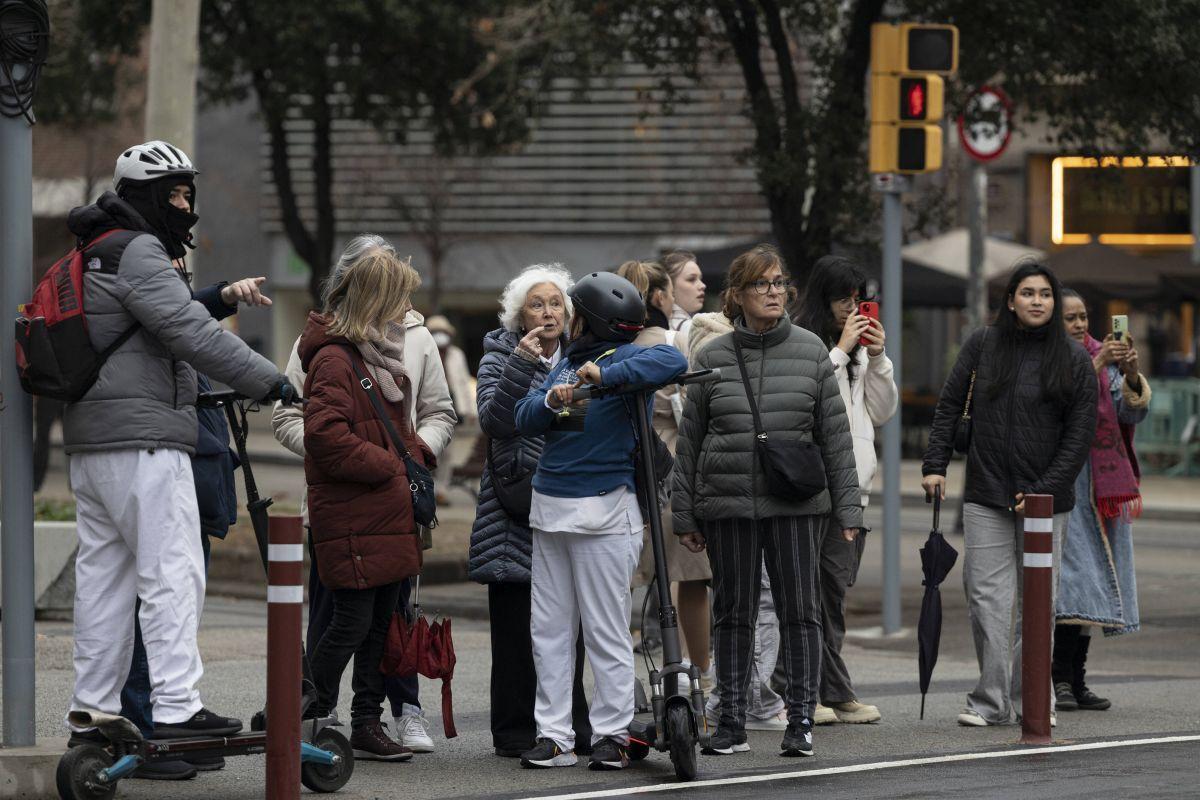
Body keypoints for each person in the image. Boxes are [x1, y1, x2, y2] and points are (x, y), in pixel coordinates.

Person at [63, 140, 293, 749]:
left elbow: (154, 319)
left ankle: (94, 711)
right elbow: (188, 332)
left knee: (105, 585)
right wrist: (272, 380)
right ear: (147, 196)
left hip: (92, 446)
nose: (187, 206)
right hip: (144, 444)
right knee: (173, 572)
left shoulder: (93, 250)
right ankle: (176, 707)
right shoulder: (139, 249)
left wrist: (215, 296)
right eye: (177, 194)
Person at [673, 244, 862, 759]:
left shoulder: (810, 353)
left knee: (800, 613)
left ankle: (799, 719)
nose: (774, 291)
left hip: (797, 505)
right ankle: (730, 720)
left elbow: (835, 439)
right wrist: (684, 512)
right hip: (728, 505)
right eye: (761, 284)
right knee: (731, 613)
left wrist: (848, 510)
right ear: (737, 295)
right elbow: (689, 443)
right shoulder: (711, 357)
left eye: (779, 283)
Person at [272, 235, 456, 756]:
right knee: (348, 622)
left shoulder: (383, 349)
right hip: (356, 514)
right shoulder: (334, 358)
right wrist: (394, 467)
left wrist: (406, 465)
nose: (407, 310)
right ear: (375, 301)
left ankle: (366, 721)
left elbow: (432, 416)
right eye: (398, 298)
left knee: (379, 625)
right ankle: (301, 707)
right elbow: (326, 436)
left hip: (386, 512)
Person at [514, 271, 687, 771]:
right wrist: (550, 399)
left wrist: (603, 378)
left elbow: (673, 359)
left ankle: (611, 734)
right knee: (548, 631)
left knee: (605, 630)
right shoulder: (563, 363)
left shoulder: (627, 358)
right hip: (550, 511)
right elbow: (523, 416)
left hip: (607, 512)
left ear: (592, 320)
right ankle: (555, 736)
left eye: (575, 313)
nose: (568, 321)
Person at [921, 261, 1097, 728]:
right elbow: (950, 402)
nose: (1037, 301)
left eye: (1045, 293)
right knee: (985, 597)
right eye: (1028, 293)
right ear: (1011, 300)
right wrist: (935, 465)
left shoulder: (1074, 358)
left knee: (1040, 600)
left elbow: (1079, 436)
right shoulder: (983, 343)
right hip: (986, 491)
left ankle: (1035, 697)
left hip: (1045, 503)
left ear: (1054, 302)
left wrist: (1042, 492)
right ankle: (992, 701)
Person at [119, 270, 273, 780]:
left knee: (178, 607)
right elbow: (180, 321)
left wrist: (223, 296)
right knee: (156, 607)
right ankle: (146, 727)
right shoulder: (142, 308)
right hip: (170, 468)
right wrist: (269, 380)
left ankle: (174, 722)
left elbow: (184, 317)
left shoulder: (165, 308)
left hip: (197, 477)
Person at [469, 264, 593, 758]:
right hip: (514, 508)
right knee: (516, 627)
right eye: (536, 304)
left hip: (570, 499)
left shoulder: (583, 359)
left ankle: (574, 724)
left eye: (555, 303)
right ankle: (516, 729)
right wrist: (524, 361)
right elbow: (495, 421)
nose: (547, 312)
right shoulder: (499, 356)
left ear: (569, 312)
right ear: (519, 315)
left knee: (574, 625)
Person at [794, 255, 897, 726]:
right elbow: (807, 400)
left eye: (858, 300)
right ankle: (815, 690)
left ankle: (829, 689)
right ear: (823, 299)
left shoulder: (859, 350)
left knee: (832, 592)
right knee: (808, 595)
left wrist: (876, 357)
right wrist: (840, 349)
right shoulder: (804, 342)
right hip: (810, 484)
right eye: (843, 300)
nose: (853, 309)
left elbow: (881, 410)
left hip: (853, 487)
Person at [616, 260, 713, 690]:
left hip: (624, 472)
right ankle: (700, 676)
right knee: (691, 579)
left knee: (620, 585)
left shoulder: (611, 347)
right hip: (674, 471)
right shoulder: (674, 343)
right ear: (660, 297)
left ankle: (620, 681)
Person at [1054, 289, 1150, 712]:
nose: (1079, 325)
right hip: (1065, 486)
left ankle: (1077, 681)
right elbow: (1054, 410)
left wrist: (1130, 376)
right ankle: (1058, 680)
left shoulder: (1104, 357)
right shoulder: (1051, 359)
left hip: (1103, 488)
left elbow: (1130, 416)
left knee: (1094, 584)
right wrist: (1095, 366)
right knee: (1072, 584)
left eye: (1083, 317)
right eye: (1070, 318)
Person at [426, 314, 479, 502]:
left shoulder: (456, 354)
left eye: (442, 332)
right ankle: (428, 489)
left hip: (452, 407)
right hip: (427, 407)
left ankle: (441, 490)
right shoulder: (424, 350)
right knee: (430, 450)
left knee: (446, 453)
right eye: (436, 332)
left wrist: (471, 410)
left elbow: (464, 383)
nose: (440, 335)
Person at [663, 249, 707, 337]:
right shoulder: (694, 329)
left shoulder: (648, 328)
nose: (703, 285)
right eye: (691, 279)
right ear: (670, 286)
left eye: (700, 279)